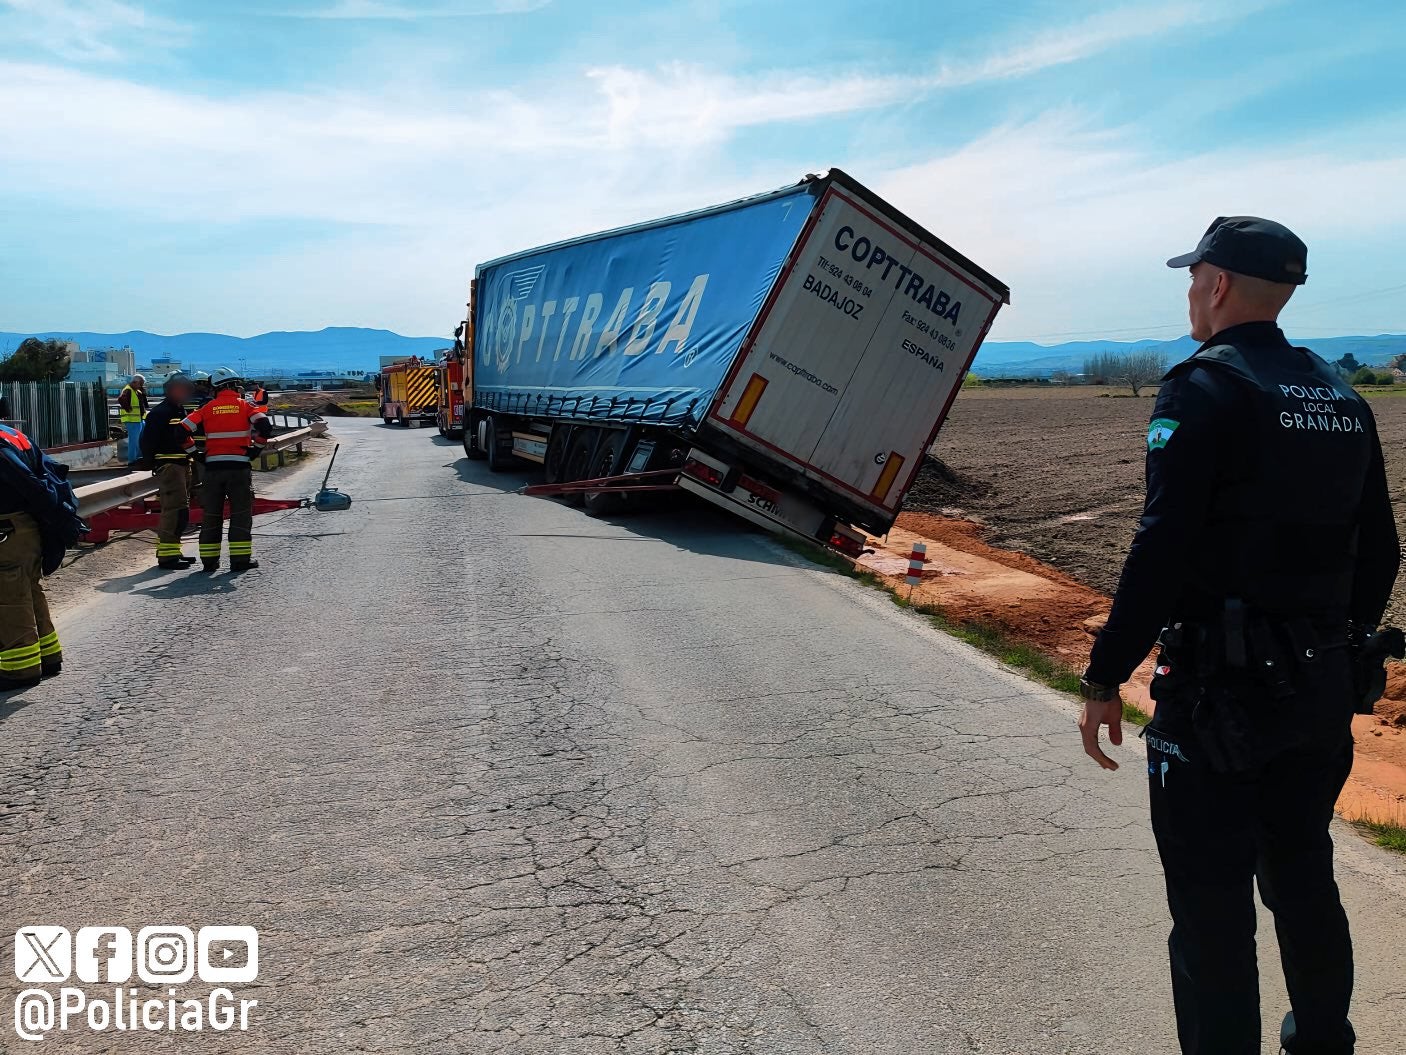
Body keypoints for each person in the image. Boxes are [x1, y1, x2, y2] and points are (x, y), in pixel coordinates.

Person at [1078, 217, 1400, 1055]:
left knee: (1211, 912)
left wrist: (1105, 673)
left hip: (1217, 702)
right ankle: (1325, 1038)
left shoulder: (1202, 386)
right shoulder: (1341, 395)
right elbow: (1383, 550)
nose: (1190, 290)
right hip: (1319, 694)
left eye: (1195, 276)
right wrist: (1332, 644)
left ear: (1217, 285)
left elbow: (1161, 546)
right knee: (1302, 874)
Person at [180, 367, 271, 573]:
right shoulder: (245, 406)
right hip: (239, 467)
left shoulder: (207, 408)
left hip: (212, 469)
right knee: (240, 513)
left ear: (216, 388)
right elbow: (265, 426)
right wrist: (255, 450)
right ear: (231, 386)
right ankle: (239, 561)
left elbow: (181, 430)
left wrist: (195, 453)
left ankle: (209, 563)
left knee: (211, 514)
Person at [0, 422, 64, 688]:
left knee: (8, 596)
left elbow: (24, 482)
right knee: (28, 588)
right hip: (27, 525)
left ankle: (20, 669)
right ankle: (48, 656)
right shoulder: (12, 434)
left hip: (7, 528)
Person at [139, 373, 197, 570]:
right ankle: (166, 557)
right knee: (173, 511)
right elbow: (147, 442)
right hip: (170, 466)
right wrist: (151, 462)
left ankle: (174, 551)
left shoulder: (179, 410)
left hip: (181, 464)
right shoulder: (160, 413)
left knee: (181, 511)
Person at [118, 373, 149, 467]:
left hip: (139, 419)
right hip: (132, 420)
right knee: (134, 441)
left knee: (140, 440)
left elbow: (144, 403)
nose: (141, 386)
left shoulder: (136, 391)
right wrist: (128, 408)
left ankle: (139, 458)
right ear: (135, 382)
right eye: (141, 384)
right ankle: (132, 460)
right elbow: (121, 399)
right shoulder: (128, 390)